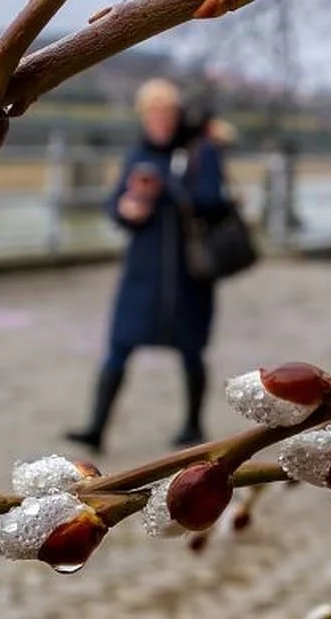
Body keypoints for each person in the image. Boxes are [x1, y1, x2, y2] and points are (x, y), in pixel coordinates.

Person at [65, 79, 230, 454]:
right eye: (152, 113)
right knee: (119, 346)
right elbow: (115, 205)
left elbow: (213, 204)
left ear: (177, 114)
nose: (159, 119)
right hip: (142, 270)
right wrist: (127, 209)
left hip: (189, 272)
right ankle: (96, 428)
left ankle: (192, 424)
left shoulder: (201, 151)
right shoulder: (137, 152)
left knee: (192, 350)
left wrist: (166, 186)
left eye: (166, 112)